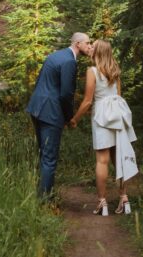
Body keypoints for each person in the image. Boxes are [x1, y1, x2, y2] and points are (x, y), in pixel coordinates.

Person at [68, 39, 138, 216]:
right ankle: (124, 199)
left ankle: (102, 203)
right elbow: (118, 96)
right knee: (119, 158)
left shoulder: (92, 71)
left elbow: (88, 101)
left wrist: (75, 119)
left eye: (93, 46)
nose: (90, 48)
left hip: (101, 116)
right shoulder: (115, 71)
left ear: (98, 52)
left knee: (102, 160)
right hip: (118, 114)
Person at [26, 32, 93, 201]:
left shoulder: (55, 55)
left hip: (36, 108)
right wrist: (69, 117)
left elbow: (41, 82)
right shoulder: (70, 61)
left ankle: (40, 194)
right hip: (51, 112)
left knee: (43, 154)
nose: (89, 46)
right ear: (78, 44)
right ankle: (45, 201)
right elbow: (66, 93)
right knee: (49, 158)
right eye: (87, 43)